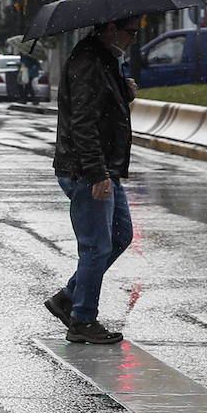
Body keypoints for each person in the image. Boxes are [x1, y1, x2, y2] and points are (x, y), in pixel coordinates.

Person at [45, 18, 140, 344]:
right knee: (97, 246)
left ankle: (69, 297)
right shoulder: (88, 62)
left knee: (120, 236)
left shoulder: (104, 58)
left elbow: (102, 111)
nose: (134, 38)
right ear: (110, 27)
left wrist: (122, 91)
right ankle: (82, 320)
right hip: (87, 170)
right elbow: (83, 123)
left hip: (104, 168)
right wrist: (97, 174)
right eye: (131, 31)